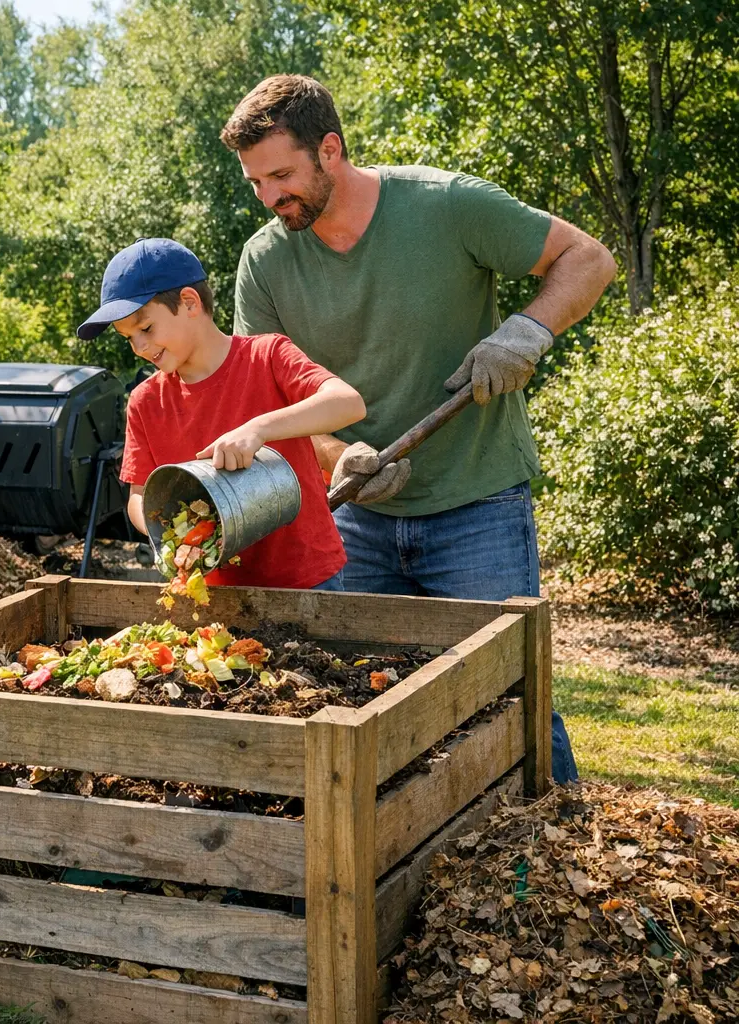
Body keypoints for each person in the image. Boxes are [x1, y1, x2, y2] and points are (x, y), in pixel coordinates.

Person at [224, 74, 617, 780]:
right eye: (255, 182)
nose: (269, 197)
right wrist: (338, 456)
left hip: (478, 507)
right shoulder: (266, 261)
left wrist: (527, 331)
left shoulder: (446, 206)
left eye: (281, 175)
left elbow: (588, 258)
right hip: (356, 524)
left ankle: (552, 861)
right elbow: (270, 404)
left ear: (331, 151)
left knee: (513, 699)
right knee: (373, 702)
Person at [79, 237, 367, 591]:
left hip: (309, 581)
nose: (140, 347)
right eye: (128, 338)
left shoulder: (267, 356)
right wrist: (165, 532)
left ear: (189, 303)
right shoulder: (144, 401)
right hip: (211, 592)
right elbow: (139, 495)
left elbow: (348, 402)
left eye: (146, 328)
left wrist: (259, 429)